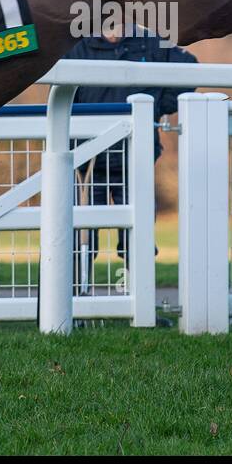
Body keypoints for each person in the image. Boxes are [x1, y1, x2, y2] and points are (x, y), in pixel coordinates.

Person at [65, 29, 197, 280]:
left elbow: (189, 68)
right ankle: (78, 302)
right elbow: (62, 94)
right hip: (88, 164)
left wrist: (158, 106)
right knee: (81, 239)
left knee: (138, 239)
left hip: (136, 161)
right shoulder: (76, 47)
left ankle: (140, 304)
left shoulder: (154, 43)